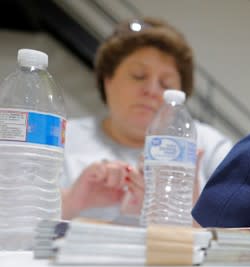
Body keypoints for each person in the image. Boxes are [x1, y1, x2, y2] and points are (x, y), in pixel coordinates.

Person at [61, 17, 233, 221]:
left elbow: (247, 230)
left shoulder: (208, 146)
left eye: (166, 83)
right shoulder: (63, 138)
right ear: (107, 81)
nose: (152, 90)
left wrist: (187, 214)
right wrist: (70, 201)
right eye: (138, 76)